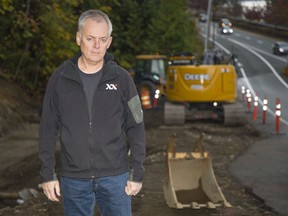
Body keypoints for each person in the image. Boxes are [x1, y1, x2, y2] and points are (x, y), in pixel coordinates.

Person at [39, 9, 146, 216]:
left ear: (109, 41)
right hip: (73, 179)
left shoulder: (123, 80)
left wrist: (137, 172)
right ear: (78, 38)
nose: (97, 46)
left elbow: (137, 126)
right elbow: (47, 128)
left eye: (102, 39)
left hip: (116, 179)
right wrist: (47, 174)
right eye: (90, 38)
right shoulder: (60, 78)